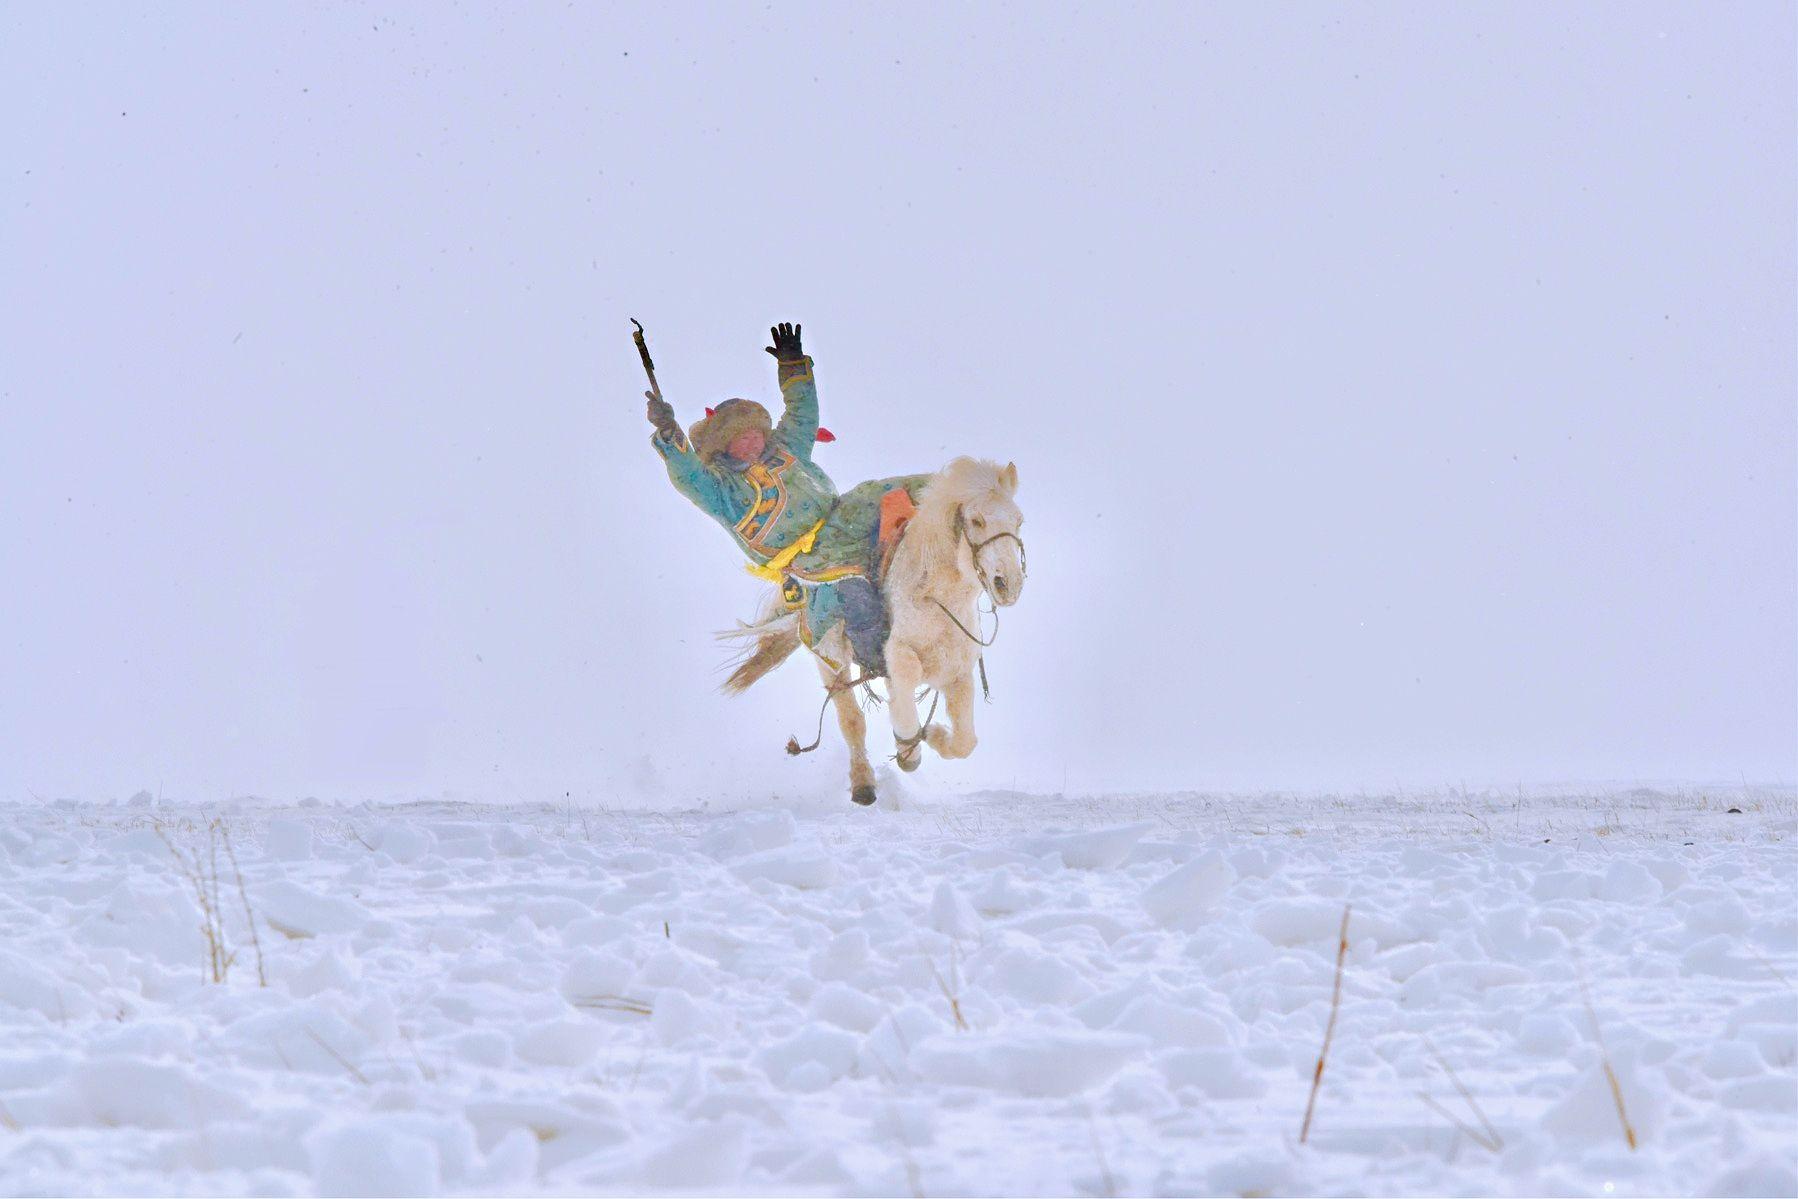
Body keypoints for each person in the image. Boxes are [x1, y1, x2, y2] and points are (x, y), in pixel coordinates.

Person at [647, 323, 924, 675]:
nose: (754, 442)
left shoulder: (785, 447)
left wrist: (792, 367)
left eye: (755, 434)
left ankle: (962, 505)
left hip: (842, 518)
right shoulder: (721, 490)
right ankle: (881, 662)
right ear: (725, 446)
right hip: (808, 559)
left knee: (885, 491)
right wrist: (669, 432)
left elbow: (802, 415)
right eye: (742, 439)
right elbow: (687, 475)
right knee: (852, 588)